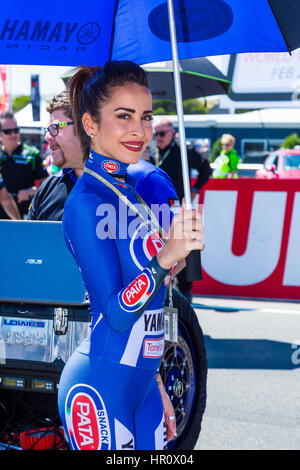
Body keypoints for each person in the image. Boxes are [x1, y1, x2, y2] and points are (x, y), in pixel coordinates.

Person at [57, 61, 204, 450]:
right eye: (124, 117)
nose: (139, 131)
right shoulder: (86, 202)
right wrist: (162, 260)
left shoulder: (135, 191)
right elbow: (116, 314)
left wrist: (175, 256)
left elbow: (150, 301)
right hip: (100, 385)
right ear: (90, 124)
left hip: (144, 384)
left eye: (145, 117)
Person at [153, 118, 210, 301]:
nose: (158, 138)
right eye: (156, 134)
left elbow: (206, 169)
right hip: (156, 211)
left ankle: (187, 295)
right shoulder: (151, 153)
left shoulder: (184, 152)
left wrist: (195, 190)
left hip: (179, 208)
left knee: (188, 247)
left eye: (162, 134)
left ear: (172, 133)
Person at [28, 91, 84, 221]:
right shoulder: (47, 190)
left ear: (84, 127)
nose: (47, 137)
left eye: (55, 128)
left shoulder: (129, 186)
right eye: (48, 130)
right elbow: (28, 240)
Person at [0, 111, 48, 219]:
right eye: (8, 131)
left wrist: (32, 190)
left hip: (25, 219)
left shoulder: (32, 154)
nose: (13, 134)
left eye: (16, 130)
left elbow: (47, 186)